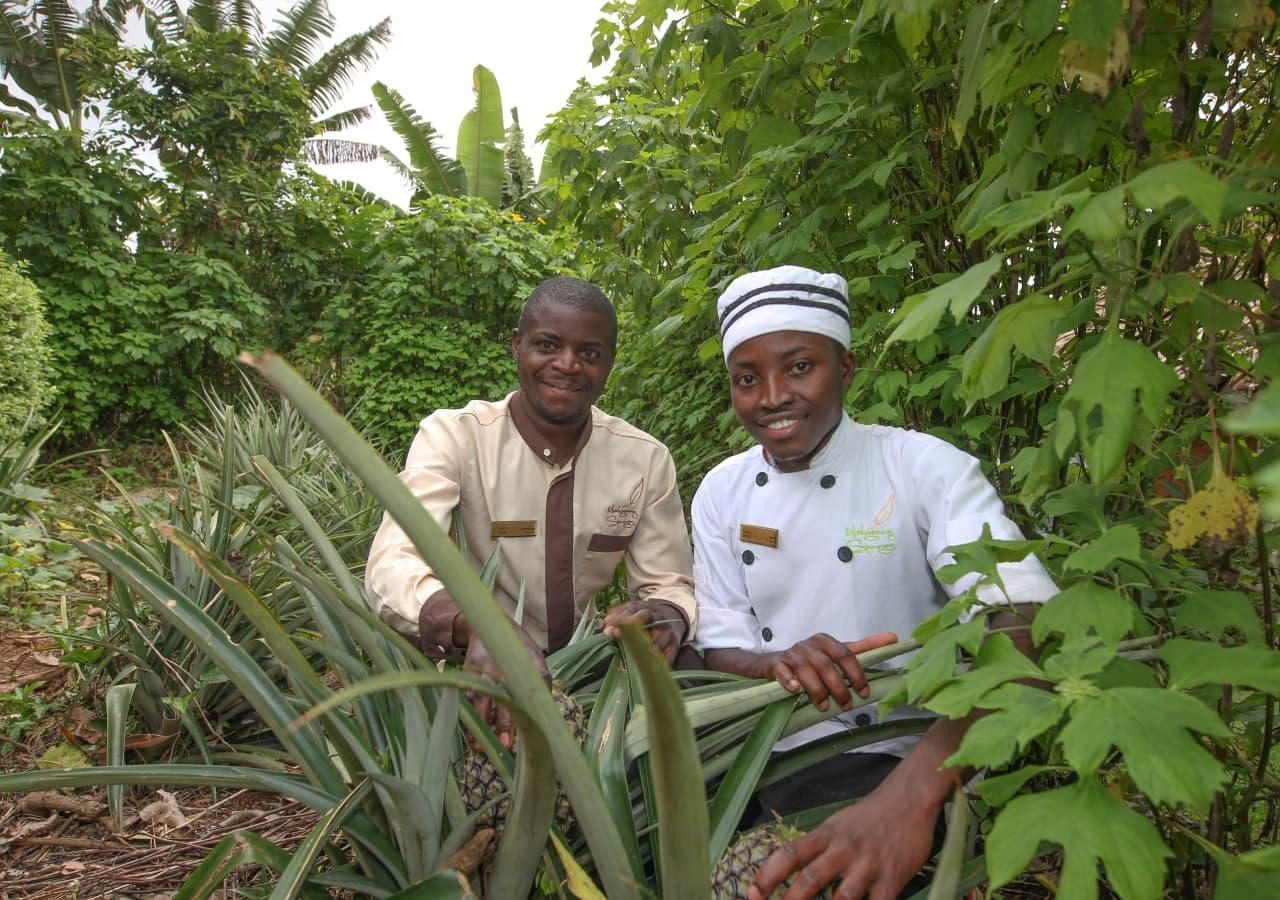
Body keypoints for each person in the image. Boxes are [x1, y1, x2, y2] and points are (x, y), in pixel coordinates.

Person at [691, 265, 1059, 899]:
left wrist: (911, 797)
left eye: (799, 366)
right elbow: (722, 641)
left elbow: (1022, 619)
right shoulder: (722, 491)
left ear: (847, 369)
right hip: (767, 756)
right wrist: (778, 663)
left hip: (908, 757)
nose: (773, 395)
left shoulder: (923, 467)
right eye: (747, 379)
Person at [366, 276, 697, 745]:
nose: (568, 365)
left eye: (589, 352)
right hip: (473, 667)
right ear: (517, 347)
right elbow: (393, 564)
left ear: (609, 364)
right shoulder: (456, 438)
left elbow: (670, 582)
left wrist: (664, 615)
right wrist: (478, 625)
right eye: (547, 345)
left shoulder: (644, 460)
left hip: (588, 676)